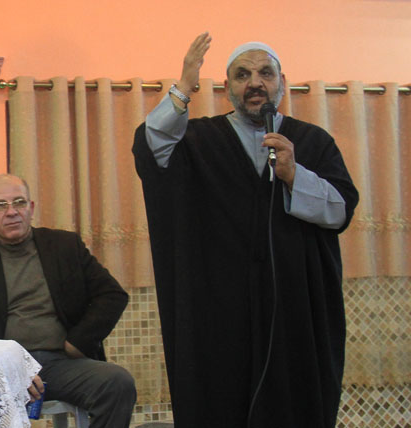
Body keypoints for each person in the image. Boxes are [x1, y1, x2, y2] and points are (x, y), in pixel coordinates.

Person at [132, 33, 359, 427]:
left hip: (294, 307)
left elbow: (340, 210)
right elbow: (152, 148)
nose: (255, 83)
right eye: (242, 75)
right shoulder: (198, 139)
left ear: (281, 83)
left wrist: (294, 174)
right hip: (218, 309)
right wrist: (183, 88)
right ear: (227, 88)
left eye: (265, 73)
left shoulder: (313, 142)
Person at [0, 174, 136, 428]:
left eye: (19, 202)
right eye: (1, 205)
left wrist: (78, 341)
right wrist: (13, 365)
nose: (12, 212)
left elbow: (112, 295)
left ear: (31, 208)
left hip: (61, 364)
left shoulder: (64, 246)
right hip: (3, 371)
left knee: (117, 382)